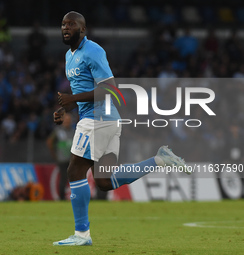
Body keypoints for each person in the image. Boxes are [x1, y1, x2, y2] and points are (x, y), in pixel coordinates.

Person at [53, 11, 189, 246]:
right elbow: (83, 94)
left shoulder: (93, 50)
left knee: (74, 170)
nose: (66, 28)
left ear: (83, 29)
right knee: (104, 181)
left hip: (99, 118)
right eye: (63, 24)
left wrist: (72, 99)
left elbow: (111, 89)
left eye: (71, 24)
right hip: (105, 119)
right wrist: (67, 108)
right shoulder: (69, 56)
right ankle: (158, 160)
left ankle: (82, 235)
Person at [46, 113, 74, 200]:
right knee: (63, 178)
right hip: (62, 160)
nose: (67, 122)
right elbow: (49, 141)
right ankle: (62, 198)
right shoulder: (58, 131)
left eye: (68, 120)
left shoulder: (73, 131)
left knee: (75, 178)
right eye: (66, 120)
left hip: (72, 160)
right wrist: (55, 155)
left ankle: (76, 196)